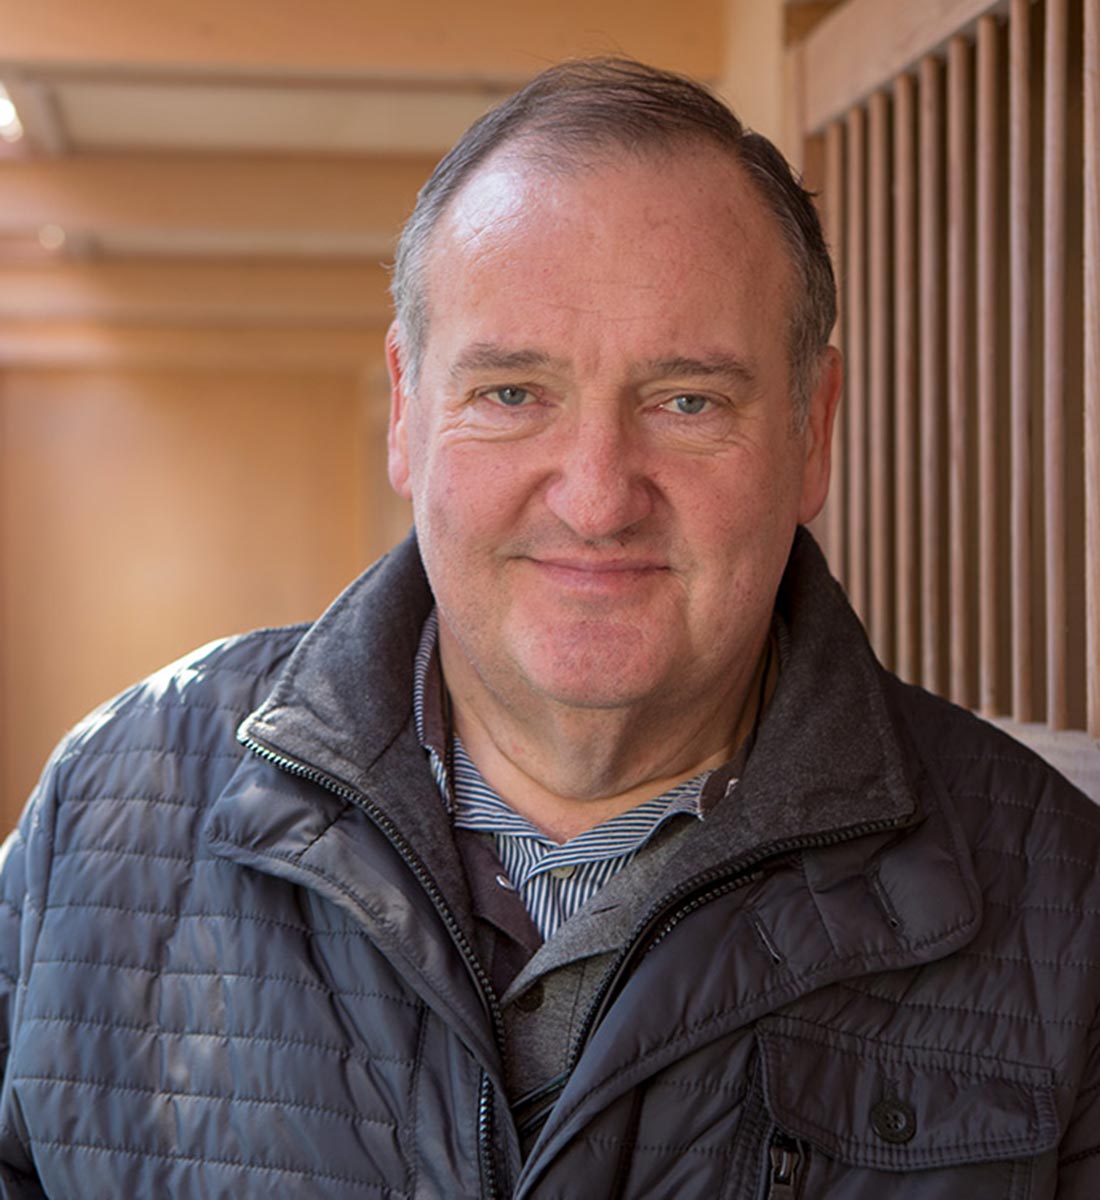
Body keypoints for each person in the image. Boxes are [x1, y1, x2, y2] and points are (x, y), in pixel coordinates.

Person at [0, 57, 1096, 1200]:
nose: (596, 498)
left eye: (687, 401)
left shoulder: (1061, 903)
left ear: (811, 429)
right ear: (407, 408)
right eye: (513, 393)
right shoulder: (106, 809)